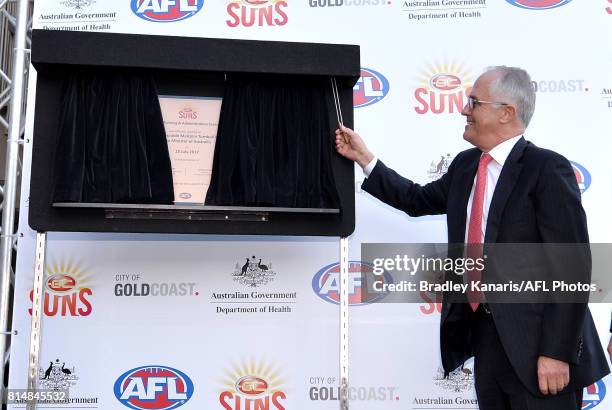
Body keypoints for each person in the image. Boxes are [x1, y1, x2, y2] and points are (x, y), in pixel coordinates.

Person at [335, 66, 609, 410]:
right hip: (486, 339)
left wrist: (555, 353)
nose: (464, 110)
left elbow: (572, 268)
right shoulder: (466, 166)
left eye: (473, 102)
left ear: (506, 112)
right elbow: (416, 199)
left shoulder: (546, 169)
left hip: (540, 348)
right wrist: (365, 159)